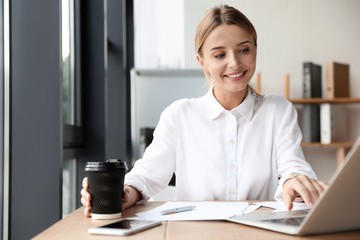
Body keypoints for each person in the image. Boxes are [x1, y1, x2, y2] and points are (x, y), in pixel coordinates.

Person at [81, 4, 327, 217]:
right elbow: (145, 176)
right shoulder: (179, 115)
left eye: (244, 49)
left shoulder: (278, 109)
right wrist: (124, 193)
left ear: (255, 49)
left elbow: (293, 165)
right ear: (202, 61)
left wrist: (294, 180)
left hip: (257, 232)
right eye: (219, 54)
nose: (235, 62)